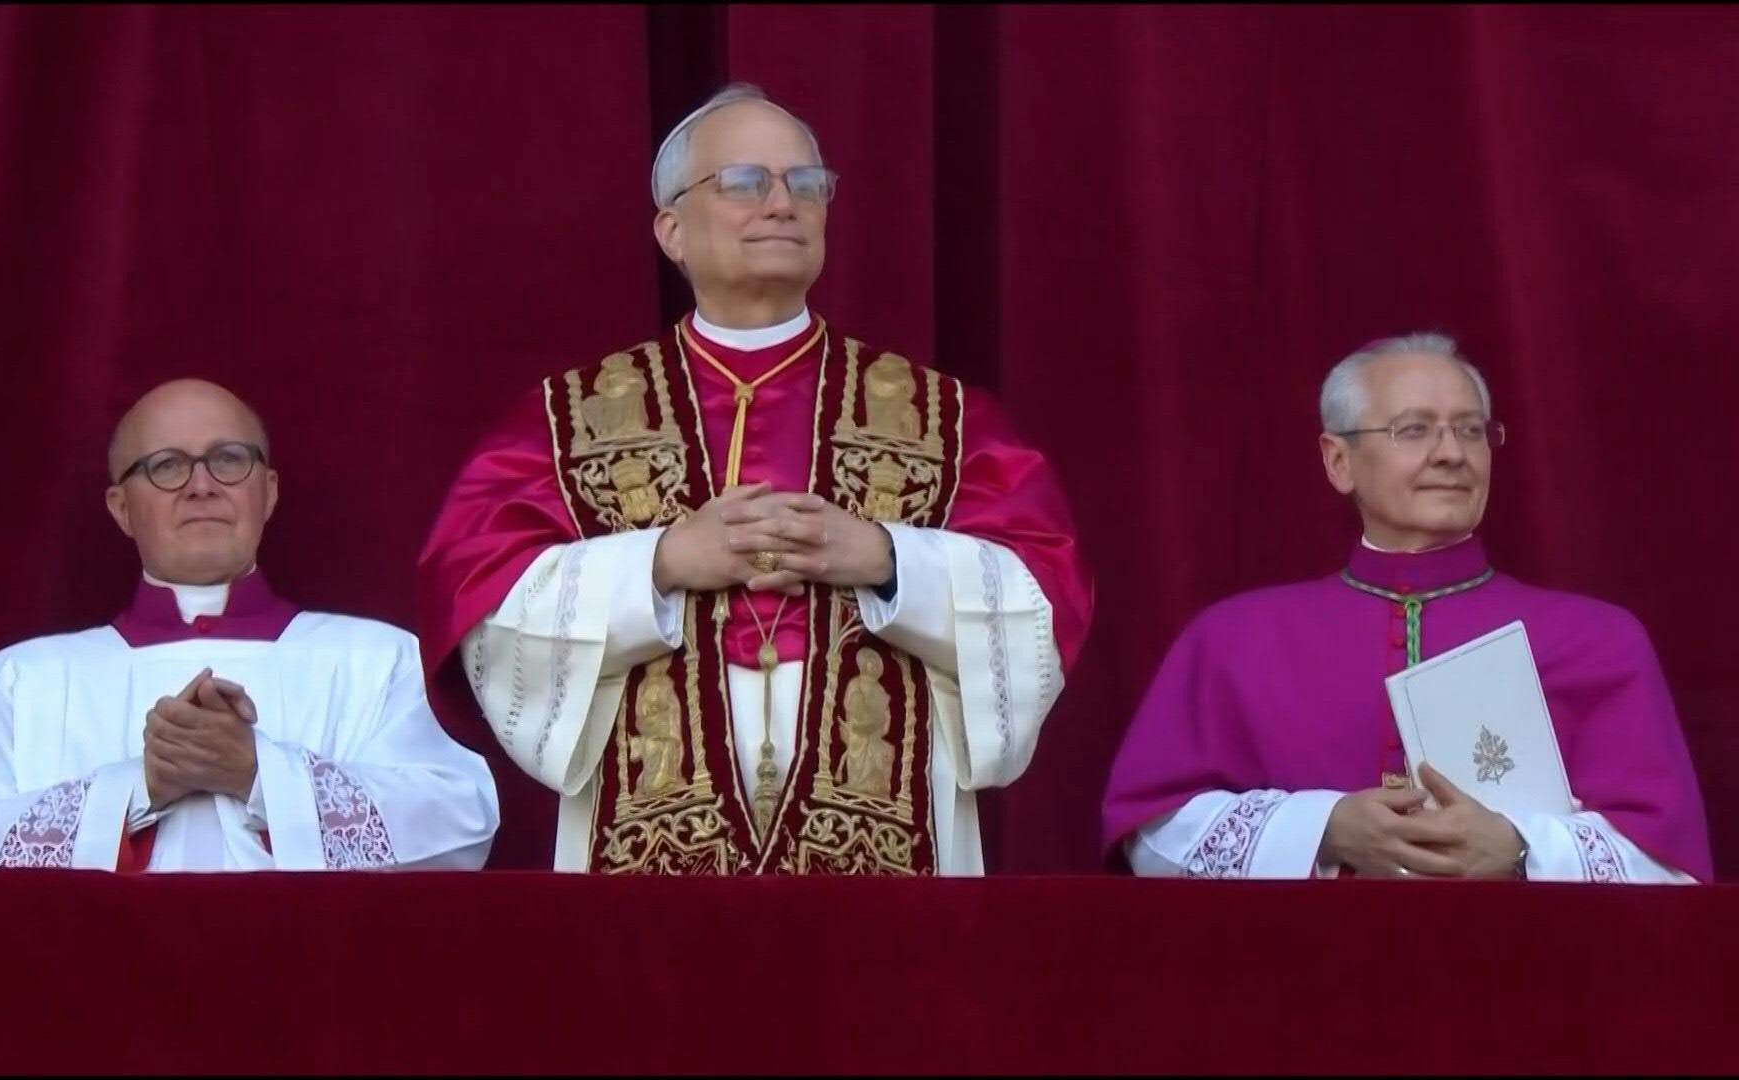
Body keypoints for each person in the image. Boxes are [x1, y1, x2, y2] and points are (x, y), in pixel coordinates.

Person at [418, 84, 1093, 875]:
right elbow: (481, 599)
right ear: (671, 229)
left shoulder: (939, 416)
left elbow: (1045, 595)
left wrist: (888, 559)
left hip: (885, 812)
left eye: (806, 185)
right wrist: (661, 564)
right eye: (745, 183)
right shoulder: (568, 422)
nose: (782, 204)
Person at [1100, 334, 1711, 882]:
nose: (1451, 453)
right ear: (1338, 461)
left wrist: (1519, 846)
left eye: (1471, 429)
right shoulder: (1233, 640)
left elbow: (1669, 866)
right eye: (1414, 430)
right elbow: (1152, 837)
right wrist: (1324, 828)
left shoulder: (1597, 641)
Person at [0, 379, 499, 871]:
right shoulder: (19, 682)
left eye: (228, 459)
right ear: (121, 508)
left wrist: (263, 776)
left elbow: (461, 822)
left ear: (267, 493)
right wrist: (136, 791)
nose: (202, 485)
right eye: (166, 466)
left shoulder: (382, 662)